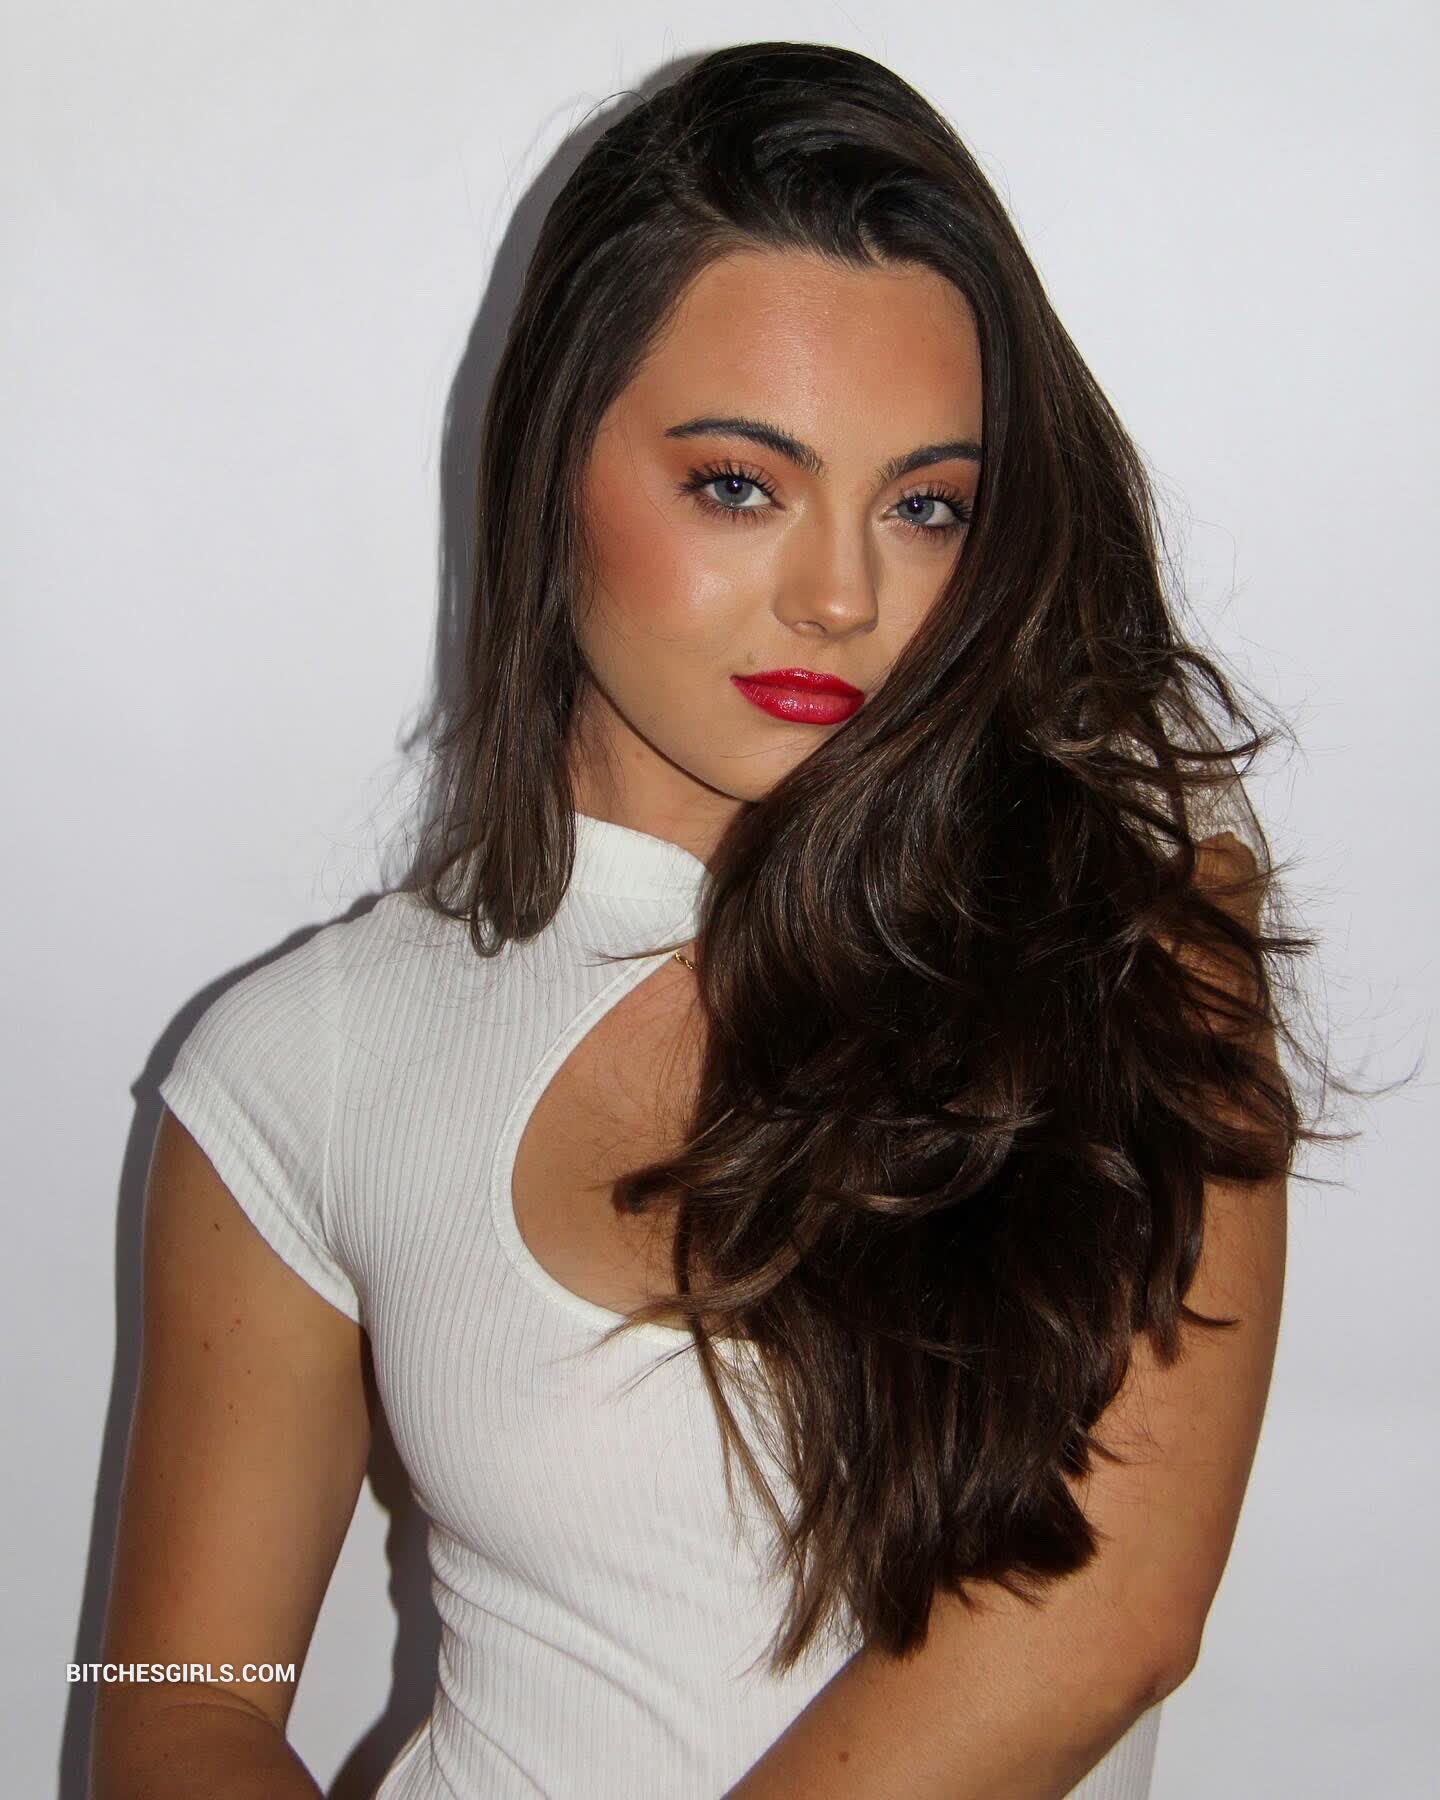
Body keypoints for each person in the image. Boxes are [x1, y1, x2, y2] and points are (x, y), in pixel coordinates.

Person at [91, 40, 1309, 1800]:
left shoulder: (1129, 949)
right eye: (739, 483)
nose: (840, 594)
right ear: (553, 465)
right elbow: (175, 1692)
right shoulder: (309, 1054)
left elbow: (1105, 1627)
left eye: (926, 507)